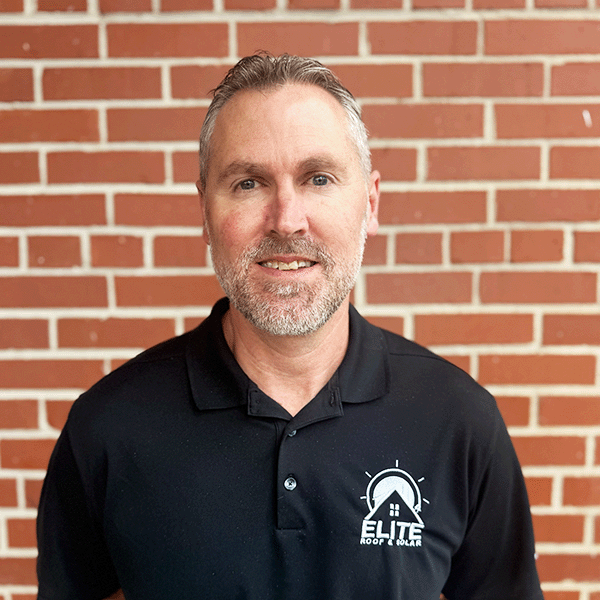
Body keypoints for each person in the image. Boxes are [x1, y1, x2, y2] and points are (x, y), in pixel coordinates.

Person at [36, 53, 544, 600]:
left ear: (370, 203)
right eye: (248, 183)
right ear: (205, 213)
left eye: (318, 178)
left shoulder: (456, 420)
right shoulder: (109, 427)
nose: (286, 220)